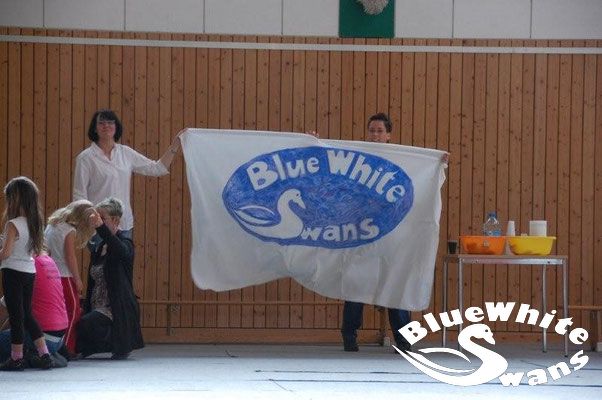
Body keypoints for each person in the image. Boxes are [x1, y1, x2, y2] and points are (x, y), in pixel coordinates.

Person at [339, 113, 413, 352]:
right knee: (357, 283)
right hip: (362, 230)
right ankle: (349, 335)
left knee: (395, 283)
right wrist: (313, 142)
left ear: (389, 135)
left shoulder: (402, 159)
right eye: (372, 130)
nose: (375, 135)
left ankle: (403, 339)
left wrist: (438, 162)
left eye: (380, 131)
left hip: (392, 232)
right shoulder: (357, 158)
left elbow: (421, 175)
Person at [73, 109, 183, 248]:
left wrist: (175, 145)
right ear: (95, 128)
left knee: (123, 262)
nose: (106, 126)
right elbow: (79, 196)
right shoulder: (86, 158)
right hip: (98, 227)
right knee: (101, 263)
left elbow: (157, 168)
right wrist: (92, 220)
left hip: (123, 224)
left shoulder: (126, 153)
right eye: (101, 123)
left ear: (116, 127)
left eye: (110, 122)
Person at [76, 197, 143, 360]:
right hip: (96, 303)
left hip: (114, 306)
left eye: (102, 218)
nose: (98, 222)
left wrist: (101, 228)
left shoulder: (125, 242)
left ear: (115, 220)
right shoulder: (100, 247)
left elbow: (119, 250)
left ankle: (118, 343)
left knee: (88, 322)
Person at [0, 176, 52, 370]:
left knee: (16, 316)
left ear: (14, 199)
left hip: (12, 271)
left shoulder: (12, 224)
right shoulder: (35, 223)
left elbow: (6, 253)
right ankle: (45, 354)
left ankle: (16, 358)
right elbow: (34, 250)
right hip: (29, 271)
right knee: (27, 314)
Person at [44, 199, 97, 356]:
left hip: (50, 272)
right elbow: (70, 256)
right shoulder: (69, 230)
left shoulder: (52, 225)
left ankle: (56, 346)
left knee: (57, 310)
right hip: (64, 275)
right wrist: (77, 279)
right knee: (73, 310)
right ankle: (66, 347)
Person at [0, 254, 69, 368]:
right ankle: (46, 355)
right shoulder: (48, 260)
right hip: (60, 339)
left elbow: (4, 311)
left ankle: (31, 356)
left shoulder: (22, 266)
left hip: (45, 337)